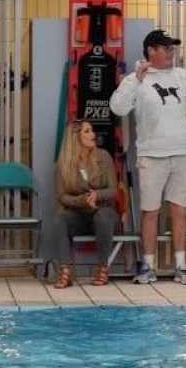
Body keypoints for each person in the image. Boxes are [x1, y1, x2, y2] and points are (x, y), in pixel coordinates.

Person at [109, 29, 186, 285]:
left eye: (172, 48)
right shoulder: (136, 78)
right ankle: (148, 265)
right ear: (151, 51)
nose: (171, 53)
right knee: (150, 212)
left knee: (179, 210)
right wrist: (135, 81)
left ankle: (181, 266)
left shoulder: (183, 76)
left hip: (181, 154)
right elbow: (117, 107)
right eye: (166, 48)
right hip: (151, 155)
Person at [50, 119, 120, 288]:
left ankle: (102, 268)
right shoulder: (62, 165)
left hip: (103, 211)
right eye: (87, 131)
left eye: (92, 130)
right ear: (75, 137)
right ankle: (65, 270)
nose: (93, 135)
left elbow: (113, 189)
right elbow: (62, 197)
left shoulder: (103, 157)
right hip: (79, 214)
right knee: (60, 218)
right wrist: (81, 200)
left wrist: (97, 195)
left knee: (103, 216)